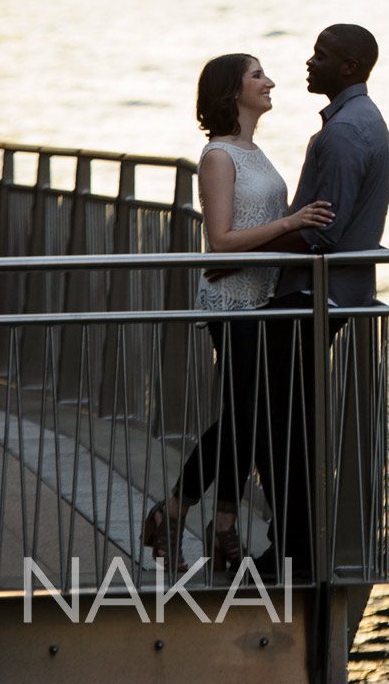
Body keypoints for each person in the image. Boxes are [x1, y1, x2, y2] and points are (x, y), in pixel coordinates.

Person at [143, 53, 331, 575]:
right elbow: (221, 242)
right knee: (245, 419)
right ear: (233, 91)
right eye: (257, 75)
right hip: (234, 304)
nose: (269, 82)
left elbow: (262, 229)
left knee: (246, 420)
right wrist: (292, 222)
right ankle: (181, 512)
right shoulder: (219, 157)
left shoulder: (254, 150)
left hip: (263, 300)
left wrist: (294, 234)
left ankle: (213, 521)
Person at [260, 24, 389, 582]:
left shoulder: (343, 135)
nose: (308, 62)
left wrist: (246, 253)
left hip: (313, 296)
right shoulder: (361, 123)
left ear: (347, 67)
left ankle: (291, 550)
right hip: (330, 295)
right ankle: (288, 545)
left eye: (321, 55)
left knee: (267, 416)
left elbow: (322, 231)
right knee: (279, 418)